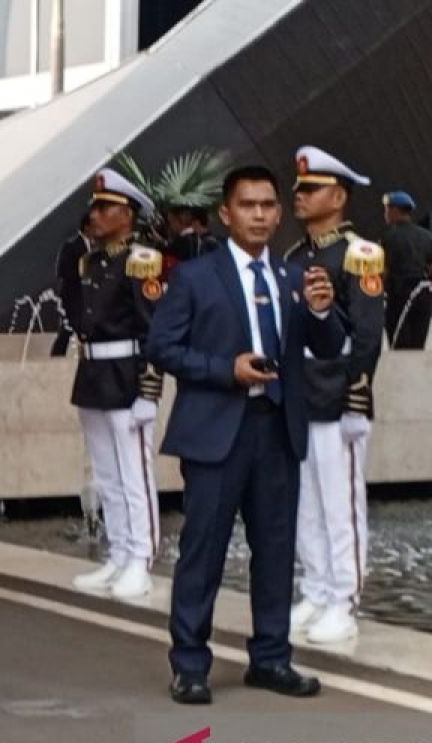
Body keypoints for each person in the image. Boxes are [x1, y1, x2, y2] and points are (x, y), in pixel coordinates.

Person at [149, 165, 344, 705]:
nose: (259, 215)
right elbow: (161, 348)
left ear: (279, 214)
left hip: (275, 429)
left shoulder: (291, 278)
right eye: (248, 205)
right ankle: (189, 664)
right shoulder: (195, 277)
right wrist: (223, 369)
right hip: (216, 432)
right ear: (226, 213)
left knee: (277, 551)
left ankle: (271, 658)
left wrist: (324, 312)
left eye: (267, 206)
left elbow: (328, 347)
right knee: (203, 551)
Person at [284, 146, 385, 645]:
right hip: (301, 394)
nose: (299, 197)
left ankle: (344, 598)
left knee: (341, 505)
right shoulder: (295, 257)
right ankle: (317, 586)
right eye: (299, 189)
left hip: (337, 393)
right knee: (305, 504)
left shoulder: (358, 254)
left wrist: (355, 397)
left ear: (339, 196)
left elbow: (367, 337)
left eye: (311, 189)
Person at [64, 169, 166, 600]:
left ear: (127, 214)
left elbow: (153, 330)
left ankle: (141, 557)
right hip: (94, 374)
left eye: (106, 208)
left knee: (134, 473)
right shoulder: (94, 261)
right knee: (107, 474)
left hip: (126, 374)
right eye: (96, 207)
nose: (97, 215)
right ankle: (120, 552)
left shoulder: (141, 261)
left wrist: (149, 388)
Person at [381, 190, 432, 349]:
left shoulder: (388, 237)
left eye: (387, 209)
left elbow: (384, 271)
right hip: (423, 296)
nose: (385, 214)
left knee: (399, 346)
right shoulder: (426, 235)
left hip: (398, 297)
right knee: (417, 346)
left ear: (395, 210)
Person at [51, 214, 93, 357]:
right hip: (72, 297)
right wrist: (81, 276)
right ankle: (56, 358)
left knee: (84, 330)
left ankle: (85, 357)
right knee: (67, 329)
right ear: (87, 226)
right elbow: (62, 271)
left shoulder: (95, 247)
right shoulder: (71, 246)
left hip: (87, 298)